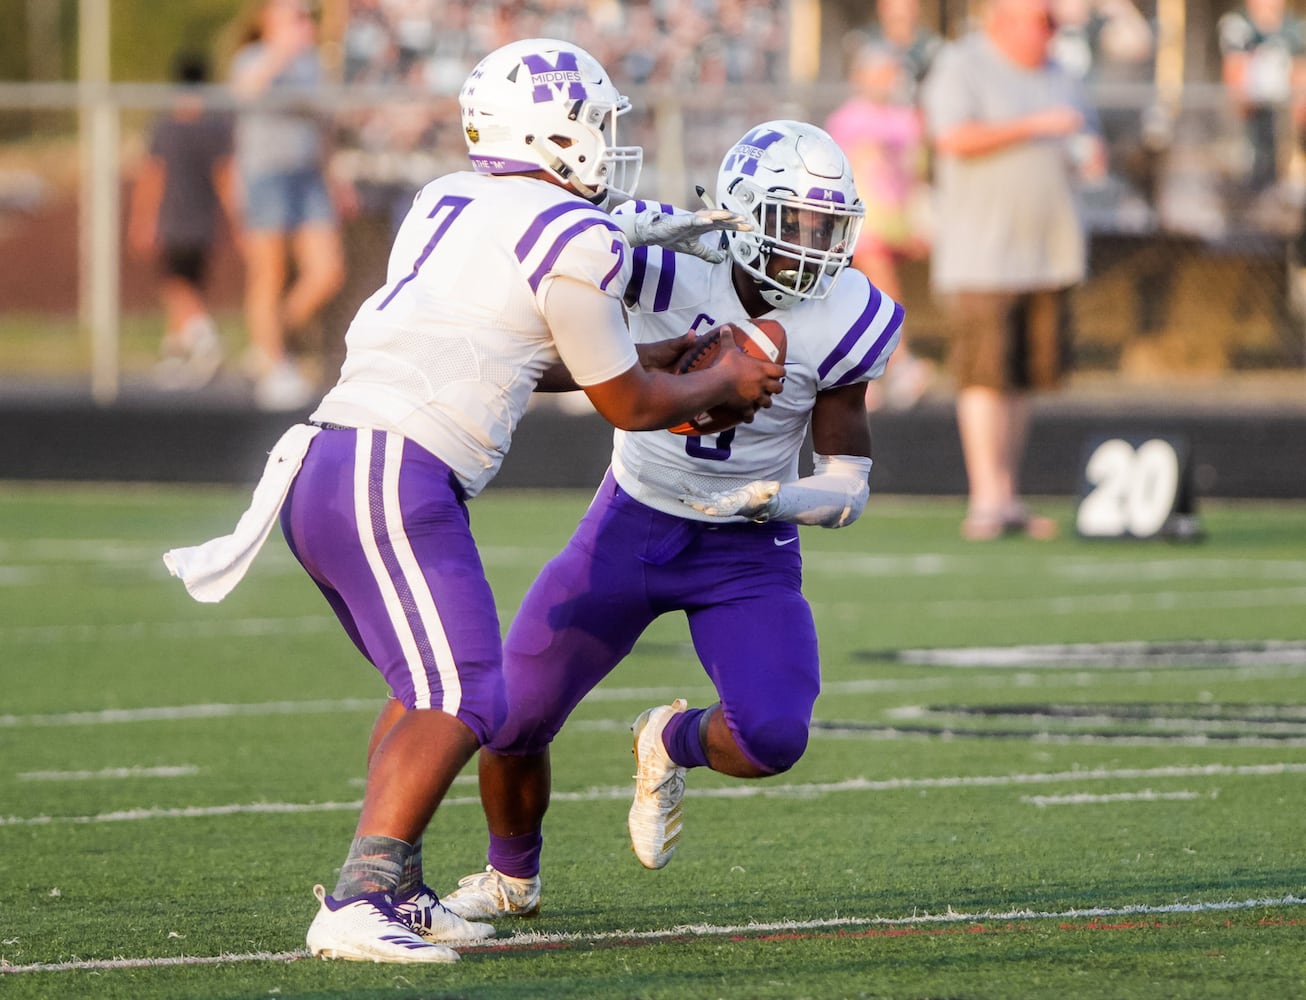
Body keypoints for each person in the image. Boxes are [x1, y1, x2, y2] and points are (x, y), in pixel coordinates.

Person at [162, 38, 783, 964]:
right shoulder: (576, 234)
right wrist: (719, 378)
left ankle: (397, 886)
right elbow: (627, 404)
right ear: (553, 130)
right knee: (465, 691)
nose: (609, 142)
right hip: (388, 468)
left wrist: (656, 363)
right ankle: (361, 895)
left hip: (344, 463)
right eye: (596, 123)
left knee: (432, 687)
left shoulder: (448, 197)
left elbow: (514, 356)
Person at [436, 120, 903, 921]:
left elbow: (849, 486)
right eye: (795, 224)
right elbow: (545, 235)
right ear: (743, 212)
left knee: (773, 737)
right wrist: (641, 224)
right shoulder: (663, 266)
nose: (813, 248)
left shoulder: (851, 313)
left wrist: (776, 500)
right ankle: (512, 875)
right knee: (511, 715)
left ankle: (668, 741)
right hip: (633, 525)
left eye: (828, 228)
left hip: (748, 551)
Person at [921, 0, 1105, 541]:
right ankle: (985, 498)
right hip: (983, 254)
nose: (1049, 30)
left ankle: (1008, 494)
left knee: (1023, 377)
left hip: (1047, 252)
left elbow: (1084, 142)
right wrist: (1034, 126)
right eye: (1040, 20)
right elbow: (952, 138)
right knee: (984, 374)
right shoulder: (962, 64)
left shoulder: (1062, 73)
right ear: (1002, 19)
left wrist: (1088, 157)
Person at [229, 0, 348, 411]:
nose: (304, 24)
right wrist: (282, 49)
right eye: (295, 16)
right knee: (271, 272)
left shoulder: (312, 64)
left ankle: (268, 342)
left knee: (327, 271)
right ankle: (274, 361)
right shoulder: (252, 57)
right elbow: (246, 91)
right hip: (267, 177)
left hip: (308, 177)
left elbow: (323, 128)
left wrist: (334, 178)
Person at [826, 41, 934, 411]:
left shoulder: (907, 119)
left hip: (897, 221)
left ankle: (887, 364)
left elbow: (914, 176)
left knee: (872, 278)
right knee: (870, 273)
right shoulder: (846, 119)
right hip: (861, 227)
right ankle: (895, 362)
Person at [127, 51, 238, 391]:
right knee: (187, 284)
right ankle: (174, 355)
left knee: (176, 285)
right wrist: (234, 217)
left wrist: (142, 218)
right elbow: (225, 177)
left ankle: (204, 339)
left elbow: (152, 176)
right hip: (202, 219)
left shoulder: (166, 127)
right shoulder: (215, 126)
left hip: (175, 219)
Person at [1217, 0, 1306, 200]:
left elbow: (1300, 74)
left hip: (1284, 116)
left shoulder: (1295, 28)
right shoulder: (1238, 25)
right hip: (1252, 115)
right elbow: (1234, 74)